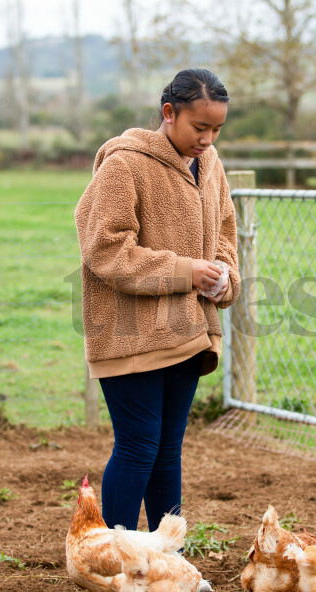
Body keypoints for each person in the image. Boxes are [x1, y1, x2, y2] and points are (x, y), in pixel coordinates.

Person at [74, 68, 239, 532]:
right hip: (128, 335)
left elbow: (225, 234)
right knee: (139, 445)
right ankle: (117, 562)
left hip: (188, 331)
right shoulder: (124, 165)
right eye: (199, 128)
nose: (208, 139)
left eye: (217, 130)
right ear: (169, 113)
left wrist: (224, 279)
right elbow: (104, 248)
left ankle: (170, 564)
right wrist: (185, 271)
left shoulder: (210, 166)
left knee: (167, 450)